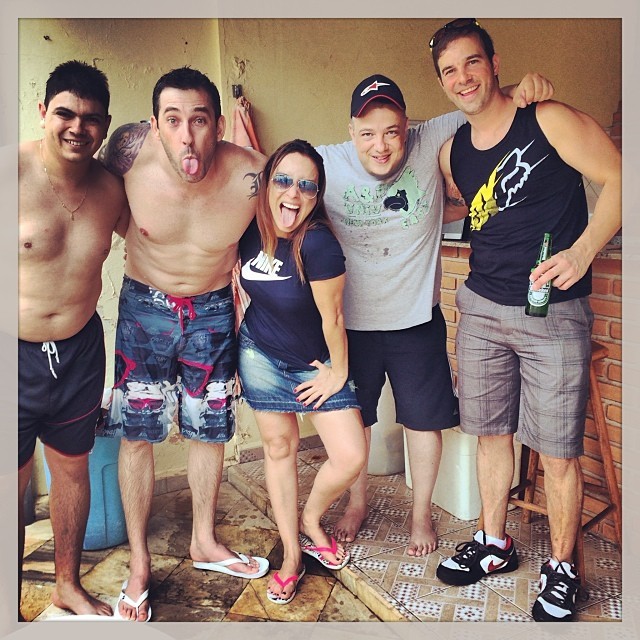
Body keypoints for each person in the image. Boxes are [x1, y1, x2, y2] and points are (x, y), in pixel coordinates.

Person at [315, 70, 554, 555]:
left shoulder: (431, 136)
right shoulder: (324, 162)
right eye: (367, 133)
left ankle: (420, 514)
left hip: (416, 322)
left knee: (423, 423)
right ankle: (356, 503)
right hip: (351, 326)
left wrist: (522, 89)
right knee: (355, 423)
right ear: (350, 131)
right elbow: (271, 180)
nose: (380, 145)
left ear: (408, 126)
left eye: (391, 131)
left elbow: (482, 100)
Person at [430, 19, 621, 622]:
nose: (462, 77)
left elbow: (621, 177)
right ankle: (494, 544)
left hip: (552, 311)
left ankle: (562, 568)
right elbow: (472, 211)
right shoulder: (452, 151)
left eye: (472, 62)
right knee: (489, 435)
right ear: (442, 83)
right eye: (449, 70)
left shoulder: (547, 119)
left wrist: (582, 252)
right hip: (482, 309)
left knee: (558, 452)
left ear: (494, 63)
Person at [98, 67, 268, 622]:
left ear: (218, 124)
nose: (187, 136)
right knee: (137, 434)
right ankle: (139, 562)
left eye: (199, 121)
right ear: (154, 124)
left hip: (212, 310)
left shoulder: (251, 174)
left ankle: (203, 540)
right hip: (144, 309)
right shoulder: (127, 154)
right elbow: (86, 195)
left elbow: (299, 213)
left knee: (208, 431)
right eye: (173, 120)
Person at [18, 60, 130, 619]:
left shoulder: (111, 190)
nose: (76, 128)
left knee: (72, 469)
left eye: (90, 119)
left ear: (104, 125)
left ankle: (67, 584)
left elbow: (164, 231)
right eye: (65, 113)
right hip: (13, 352)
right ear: (43, 112)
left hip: (80, 351)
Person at [237, 139, 367, 604]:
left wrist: (337, 372)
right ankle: (292, 555)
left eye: (307, 186)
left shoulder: (318, 244)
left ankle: (311, 518)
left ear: (317, 195)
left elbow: (334, 317)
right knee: (279, 449)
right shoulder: (249, 229)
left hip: (314, 362)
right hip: (260, 355)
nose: (293, 193)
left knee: (350, 455)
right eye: (284, 180)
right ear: (267, 183)